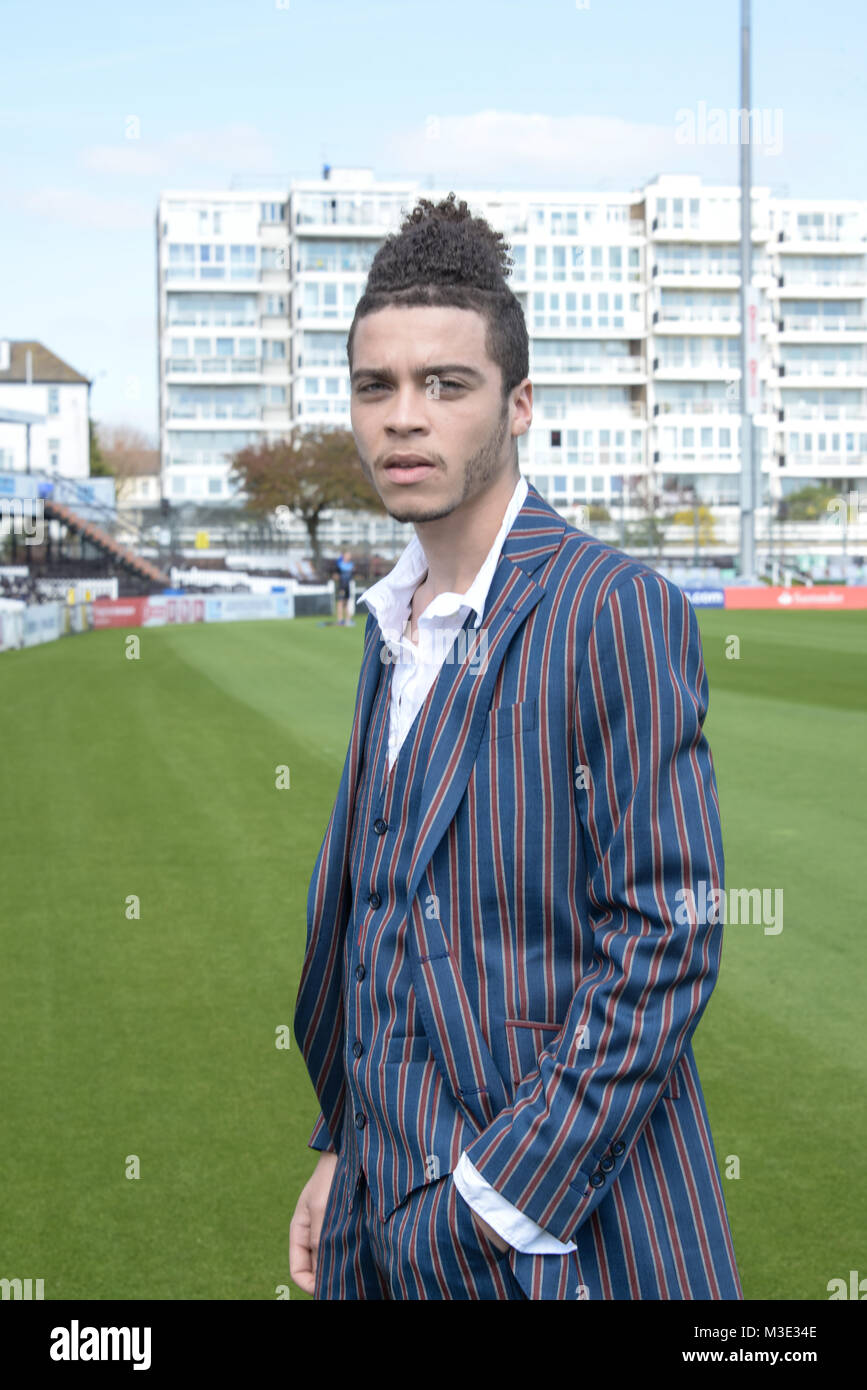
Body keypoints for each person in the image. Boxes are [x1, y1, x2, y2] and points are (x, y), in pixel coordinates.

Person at [289, 193, 742, 1301]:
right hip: (375, 1225)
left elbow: (669, 935)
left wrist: (492, 1201)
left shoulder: (612, 608)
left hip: (551, 1242)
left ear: (519, 402)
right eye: (376, 386)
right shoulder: (393, 615)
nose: (405, 417)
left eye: (446, 385)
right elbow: (380, 932)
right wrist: (346, 1148)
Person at [332, 551, 355, 626]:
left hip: (348, 586)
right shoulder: (339, 565)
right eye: (347, 555)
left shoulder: (351, 565)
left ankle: (348, 619)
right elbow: (335, 575)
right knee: (340, 602)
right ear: (344, 556)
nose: (349, 556)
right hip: (342, 586)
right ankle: (340, 619)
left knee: (347, 603)